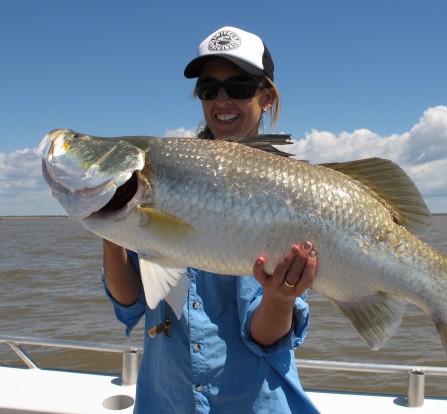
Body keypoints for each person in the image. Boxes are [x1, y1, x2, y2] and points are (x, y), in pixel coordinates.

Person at [101, 26, 320, 413]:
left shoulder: (287, 191)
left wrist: (280, 297)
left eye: (239, 87)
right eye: (209, 88)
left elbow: (265, 336)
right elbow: (130, 299)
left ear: (267, 97)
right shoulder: (160, 173)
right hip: (165, 400)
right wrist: (110, 221)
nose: (222, 99)